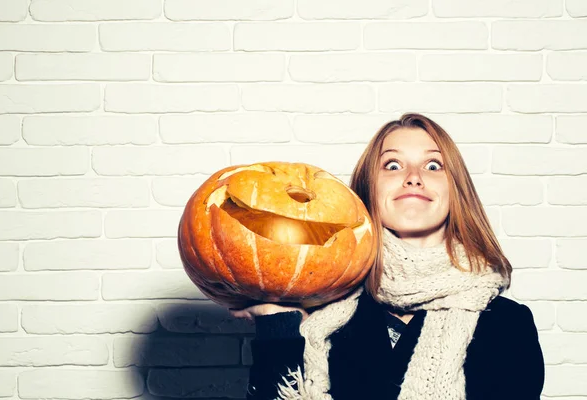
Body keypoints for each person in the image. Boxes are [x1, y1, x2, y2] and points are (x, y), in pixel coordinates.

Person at [230, 113, 545, 400]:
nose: (413, 176)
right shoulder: (321, 321)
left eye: (433, 165)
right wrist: (276, 323)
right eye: (392, 165)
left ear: (456, 191)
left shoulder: (508, 325)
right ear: (368, 192)